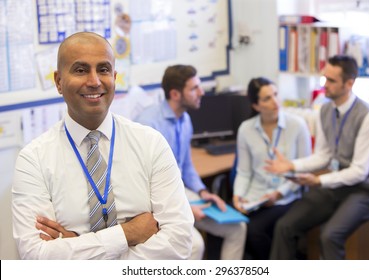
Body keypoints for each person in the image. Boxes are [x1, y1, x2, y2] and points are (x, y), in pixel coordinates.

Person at [12, 32, 194, 260]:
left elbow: (180, 243)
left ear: (114, 77)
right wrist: (129, 234)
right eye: (80, 70)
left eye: (103, 69)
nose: (94, 81)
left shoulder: (151, 143)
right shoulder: (33, 159)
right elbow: (35, 256)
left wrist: (76, 247)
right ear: (59, 81)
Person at [264, 55, 369, 260]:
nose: (324, 85)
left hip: (364, 190)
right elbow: (324, 155)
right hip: (334, 185)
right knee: (285, 225)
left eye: (331, 80)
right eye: (324, 78)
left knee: (330, 235)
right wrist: (291, 165)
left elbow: (359, 172)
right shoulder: (326, 110)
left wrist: (319, 180)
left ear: (349, 83)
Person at [135, 64, 246, 260]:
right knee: (194, 245)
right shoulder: (148, 124)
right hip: (155, 199)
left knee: (237, 228)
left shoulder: (184, 119)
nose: (201, 92)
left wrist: (204, 192)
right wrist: (184, 206)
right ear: (176, 94)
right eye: (194, 88)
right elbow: (144, 183)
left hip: (180, 192)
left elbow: (186, 167)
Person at [232, 77, 311, 259]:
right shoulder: (246, 129)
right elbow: (244, 171)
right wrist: (238, 196)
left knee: (254, 230)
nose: (275, 102)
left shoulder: (297, 125)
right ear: (256, 105)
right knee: (234, 225)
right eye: (267, 98)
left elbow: (303, 170)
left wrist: (278, 194)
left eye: (275, 95)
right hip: (255, 196)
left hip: (286, 196)